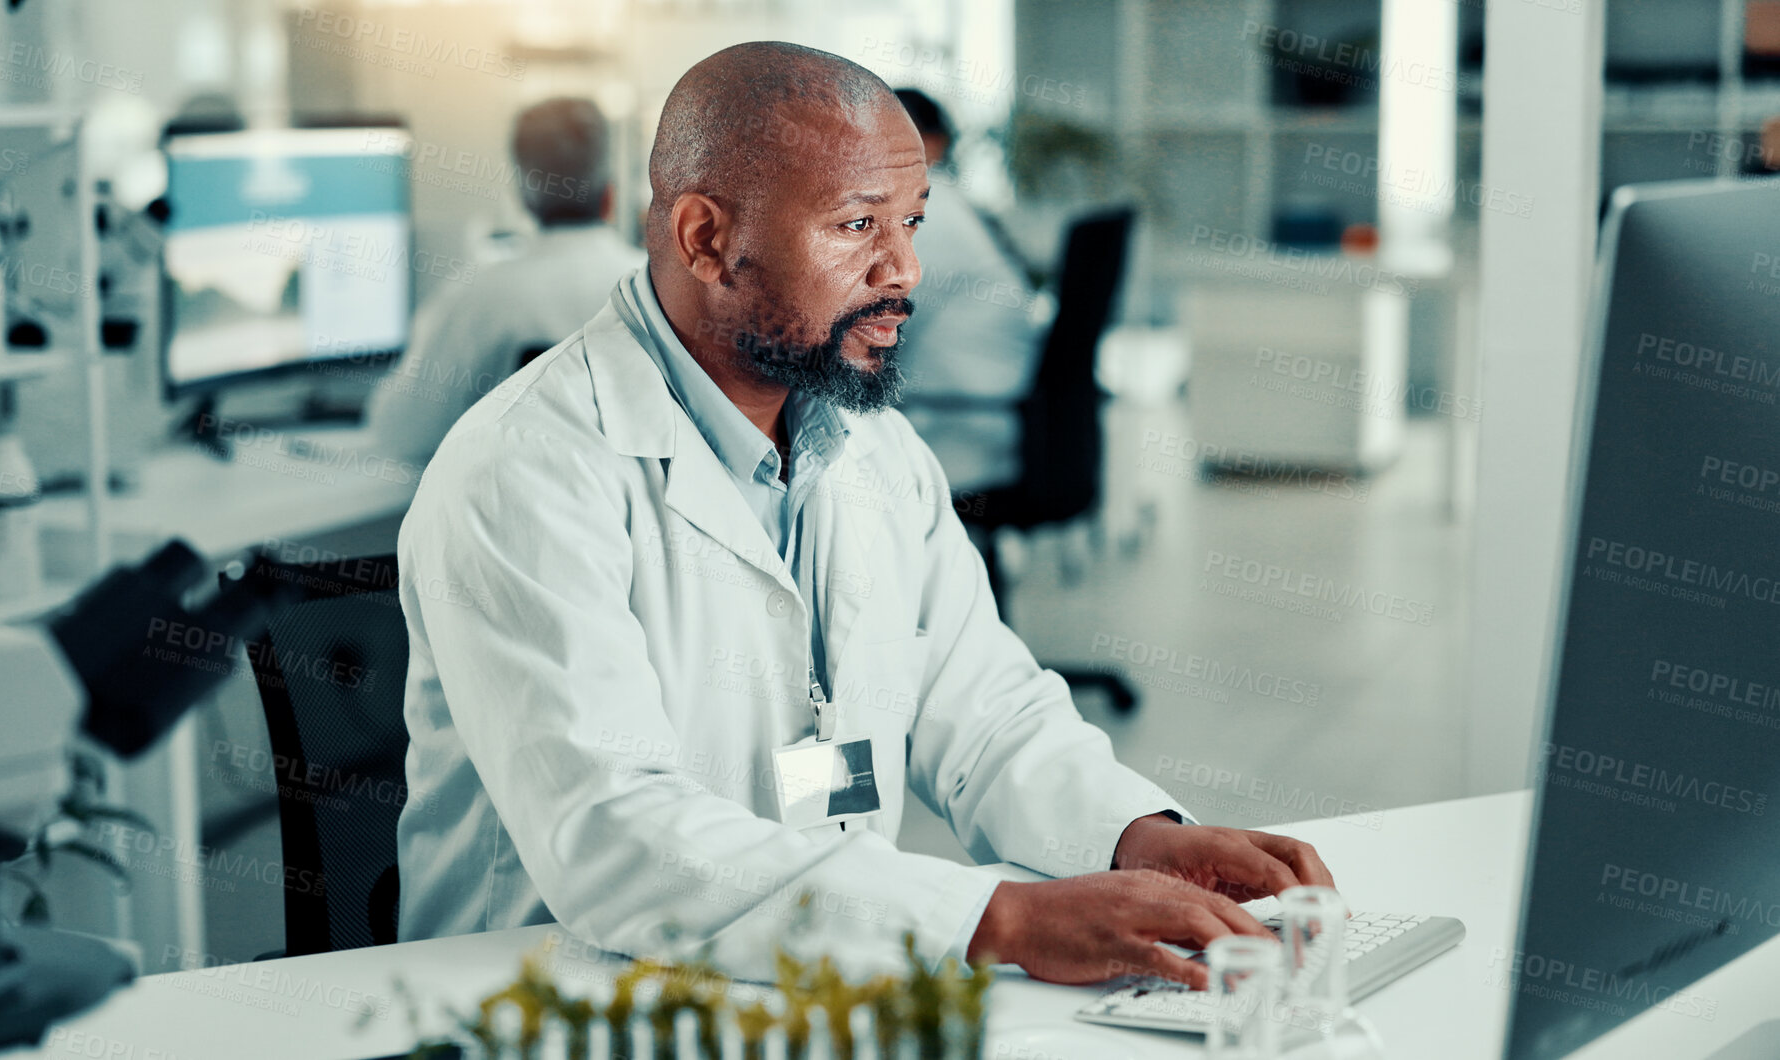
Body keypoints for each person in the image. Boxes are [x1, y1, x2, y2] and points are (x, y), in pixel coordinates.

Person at [395, 41, 1335, 985]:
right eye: (856, 225)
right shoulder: (524, 473)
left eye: (913, 222)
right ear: (705, 238)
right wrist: (997, 919)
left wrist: (1135, 834)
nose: (905, 269)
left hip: (809, 980)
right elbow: (616, 838)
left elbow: (983, 708)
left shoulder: (872, 447)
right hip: (551, 998)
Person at [366, 97, 643, 462]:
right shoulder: (661, 291)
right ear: (610, 194)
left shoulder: (479, 296)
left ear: (523, 198)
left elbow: (403, 433)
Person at [891, 87, 1046, 494]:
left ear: (933, 144)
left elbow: (873, 321)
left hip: (958, 426)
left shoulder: (929, 209)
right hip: (977, 413)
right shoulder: (945, 202)